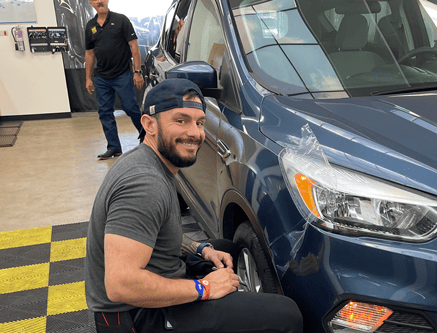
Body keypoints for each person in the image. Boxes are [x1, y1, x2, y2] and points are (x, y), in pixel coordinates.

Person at [85, 78, 303, 333]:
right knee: (286, 315)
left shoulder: (147, 161)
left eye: (199, 123)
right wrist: (205, 289)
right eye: (181, 121)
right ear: (149, 124)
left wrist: (201, 249)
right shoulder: (144, 184)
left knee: (224, 250)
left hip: (147, 296)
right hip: (135, 317)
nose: (195, 133)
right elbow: (121, 285)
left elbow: (154, 235)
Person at [85, 0, 143, 160]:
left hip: (122, 74)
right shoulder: (90, 26)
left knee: (131, 107)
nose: (99, 2)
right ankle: (114, 147)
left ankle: (146, 137)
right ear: (91, 3)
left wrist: (137, 72)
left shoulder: (121, 20)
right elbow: (89, 54)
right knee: (104, 112)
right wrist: (88, 78)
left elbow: (134, 46)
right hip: (102, 78)